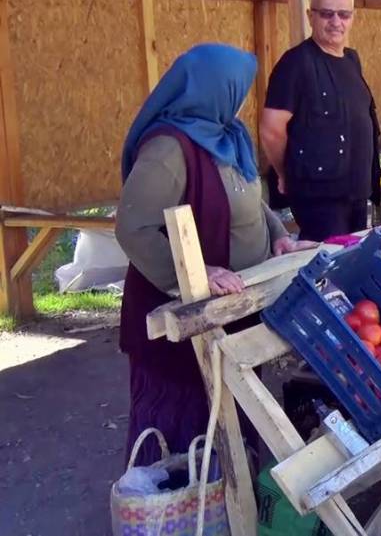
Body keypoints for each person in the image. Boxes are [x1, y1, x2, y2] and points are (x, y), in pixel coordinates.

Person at [115, 43, 317, 466]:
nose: (244, 99)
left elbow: (250, 200)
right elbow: (132, 229)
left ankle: (232, 496)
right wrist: (195, 272)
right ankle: (188, 513)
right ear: (212, 90)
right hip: (182, 321)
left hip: (233, 310)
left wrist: (278, 235)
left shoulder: (227, 136)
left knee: (234, 410)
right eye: (237, 89)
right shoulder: (169, 150)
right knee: (190, 423)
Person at [260, 0, 381, 241]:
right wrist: (284, 171)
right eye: (326, 14)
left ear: (352, 17)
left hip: (357, 191)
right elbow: (271, 129)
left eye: (343, 14)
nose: (336, 22)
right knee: (327, 272)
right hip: (320, 199)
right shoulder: (295, 63)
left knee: (354, 267)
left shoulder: (351, 60)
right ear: (310, 16)